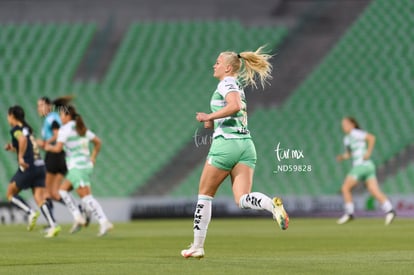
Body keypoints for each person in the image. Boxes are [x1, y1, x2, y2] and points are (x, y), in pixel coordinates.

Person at [181, 46, 289, 259]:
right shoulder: (235, 84)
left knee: (204, 195)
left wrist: (208, 117)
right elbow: (233, 110)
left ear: (228, 67)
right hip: (246, 145)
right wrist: (214, 121)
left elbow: (235, 106)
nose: (215, 65)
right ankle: (271, 205)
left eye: (218, 62)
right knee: (242, 199)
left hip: (226, 145)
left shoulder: (227, 82)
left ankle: (197, 246)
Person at [45, 105, 113, 236]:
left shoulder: (64, 130)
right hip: (85, 165)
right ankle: (78, 216)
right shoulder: (80, 128)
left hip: (77, 167)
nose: (60, 118)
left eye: (61, 115)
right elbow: (98, 142)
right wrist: (93, 158)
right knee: (63, 190)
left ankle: (103, 221)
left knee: (86, 197)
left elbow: (58, 149)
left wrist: (47, 147)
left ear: (67, 116)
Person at [4, 105, 61, 237]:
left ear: (12, 116)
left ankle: (29, 212)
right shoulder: (27, 129)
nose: (8, 119)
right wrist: (13, 147)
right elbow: (25, 144)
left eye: (8, 116)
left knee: (10, 194)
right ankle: (53, 225)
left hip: (28, 166)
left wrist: (20, 158)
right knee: (39, 198)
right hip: (40, 166)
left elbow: (22, 141)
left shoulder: (16, 130)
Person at [36, 96, 90, 230]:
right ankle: (78, 210)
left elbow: (57, 133)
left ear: (48, 106)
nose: (39, 108)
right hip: (60, 156)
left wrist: (44, 143)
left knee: (46, 193)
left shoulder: (51, 118)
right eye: (38, 106)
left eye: (41, 105)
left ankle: (52, 223)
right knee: (54, 193)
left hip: (54, 155)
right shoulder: (54, 117)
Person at [336, 117, 396, 225]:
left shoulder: (356, 133)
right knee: (374, 190)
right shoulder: (346, 139)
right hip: (368, 166)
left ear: (352, 124)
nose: (343, 126)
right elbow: (350, 153)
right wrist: (343, 157)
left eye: (345, 124)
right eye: (343, 124)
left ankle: (349, 213)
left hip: (361, 165)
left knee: (345, 188)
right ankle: (390, 210)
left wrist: (368, 153)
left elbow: (371, 138)